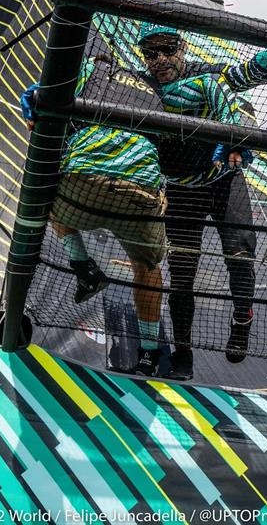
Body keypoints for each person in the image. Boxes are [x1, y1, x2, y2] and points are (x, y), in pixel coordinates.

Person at [137, 20, 267, 380]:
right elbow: (103, 87)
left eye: (167, 49)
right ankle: (183, 353)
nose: (159, 58)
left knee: (240, 256)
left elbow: (250, 72)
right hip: (180, 187)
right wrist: (48, 91)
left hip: (224, 178)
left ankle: (242, 320)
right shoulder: (141, 85)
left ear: (183, 48)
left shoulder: (209, 76)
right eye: (150, 52)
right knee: (182, 275)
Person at [20, 60, 167, 376]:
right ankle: (150, 354)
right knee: (149, 268)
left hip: (82, 188)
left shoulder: (90, 68)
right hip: (139, 193)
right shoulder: (164, 91)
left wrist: (35, 100)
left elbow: (42, 100)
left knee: (44, 196)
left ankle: (83, 265)